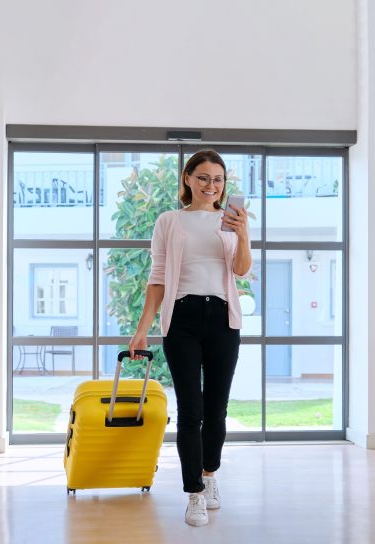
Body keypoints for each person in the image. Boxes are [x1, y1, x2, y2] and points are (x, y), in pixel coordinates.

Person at [128, 149, 251, 527]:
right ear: (187, 179)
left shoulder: (230, 222)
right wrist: (142, 329)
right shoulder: (169, 221)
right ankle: (193, 493)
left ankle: (210, 475)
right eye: (203, 178)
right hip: (181, 319)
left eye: (218, 179)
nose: (211, 186)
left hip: (223, 318)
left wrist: (243, 233)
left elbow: (242, 271)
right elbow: (158, 277)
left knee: (217, 409)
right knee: (190, 411)